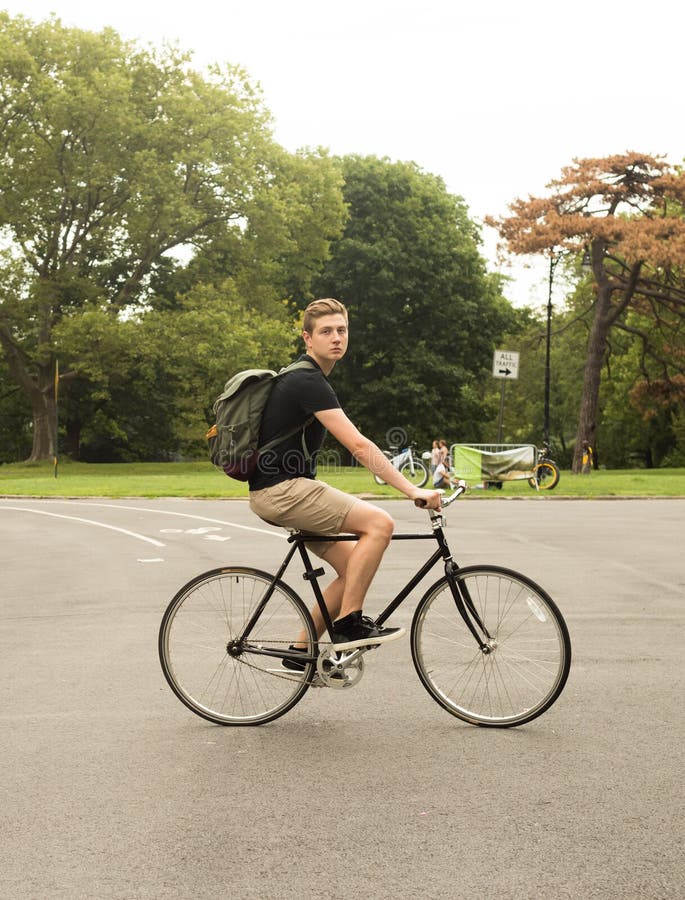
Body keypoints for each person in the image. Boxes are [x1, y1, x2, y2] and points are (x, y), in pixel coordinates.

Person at [248, 298, 442, 664]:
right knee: (379, 523)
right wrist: (412, 490)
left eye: (341, 330)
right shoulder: (307, 380)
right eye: (326, 331)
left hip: (280, 490)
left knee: (354, 564)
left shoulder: (311, 377)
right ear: (308, 339)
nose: (336, 338)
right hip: (283, 490)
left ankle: (301, 652)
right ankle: (348, 625)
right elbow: (357, 444)